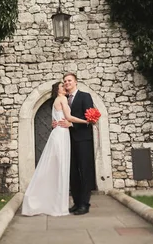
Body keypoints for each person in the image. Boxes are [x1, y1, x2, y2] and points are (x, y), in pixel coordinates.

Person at [21, 81, 89, 216]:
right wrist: (86, 121)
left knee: (55, 167)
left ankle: (53, 201)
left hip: (58, 132)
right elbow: (68, 117)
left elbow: (56, 120)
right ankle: (57, 204)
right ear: (58, 90)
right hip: (62, 134)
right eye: (62, 86)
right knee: (60, 167)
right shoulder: (63, 98)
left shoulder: (56, 101)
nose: (65, 87)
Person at [55, 72, 96, 216]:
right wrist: (57, 123)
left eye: (69, 80)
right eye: (65, 81)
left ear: (76, 82)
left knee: (84, 171)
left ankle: (85, 204)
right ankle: (77, 202)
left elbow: (91, 119)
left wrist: (71, 124)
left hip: (83, 139)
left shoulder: (85, 96)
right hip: (67, 139)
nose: (67, 83)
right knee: (72, 172)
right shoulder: (64, 99)